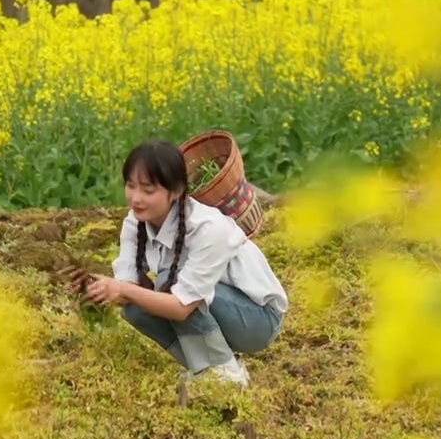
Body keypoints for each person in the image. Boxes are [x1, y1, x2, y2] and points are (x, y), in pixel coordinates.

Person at [83, 139, 289, 387]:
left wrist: (123, 289)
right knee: (135, 308)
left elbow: (180, 306)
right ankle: (204, 369)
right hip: (212, 307)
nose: (136, 198)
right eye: (131, 186)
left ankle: (229, 374)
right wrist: (98, 289)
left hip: (257, 320)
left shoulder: (206, 228)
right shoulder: (134, 223)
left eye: (148, 190)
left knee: (167, 283)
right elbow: (126, 287)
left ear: (177, 191)